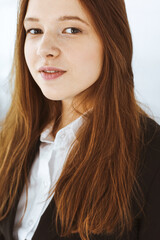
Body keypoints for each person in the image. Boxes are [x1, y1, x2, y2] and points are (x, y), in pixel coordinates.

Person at [0, 0, 160, 239]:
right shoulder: (10, 139)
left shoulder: (151, 155)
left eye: (71, 30)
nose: (45, 49)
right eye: (35, 30)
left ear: (111, 39)